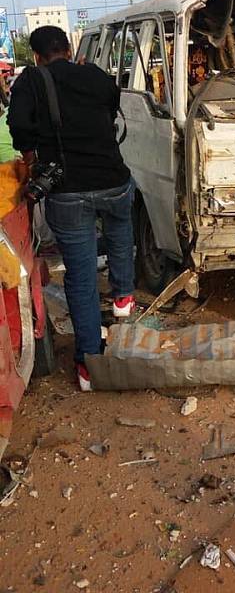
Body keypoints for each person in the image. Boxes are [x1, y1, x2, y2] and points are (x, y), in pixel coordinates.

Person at [8, 26, 135, 391]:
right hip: (112, 179)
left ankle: (88, 366)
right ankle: (124, 293)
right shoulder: (94, 74)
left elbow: (18, 127)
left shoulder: (31, 80)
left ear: (36, 55)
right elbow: (112, 105)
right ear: (68, 48)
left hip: (67, 191)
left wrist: (34, 149)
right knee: (121, 221)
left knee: (80, 279)